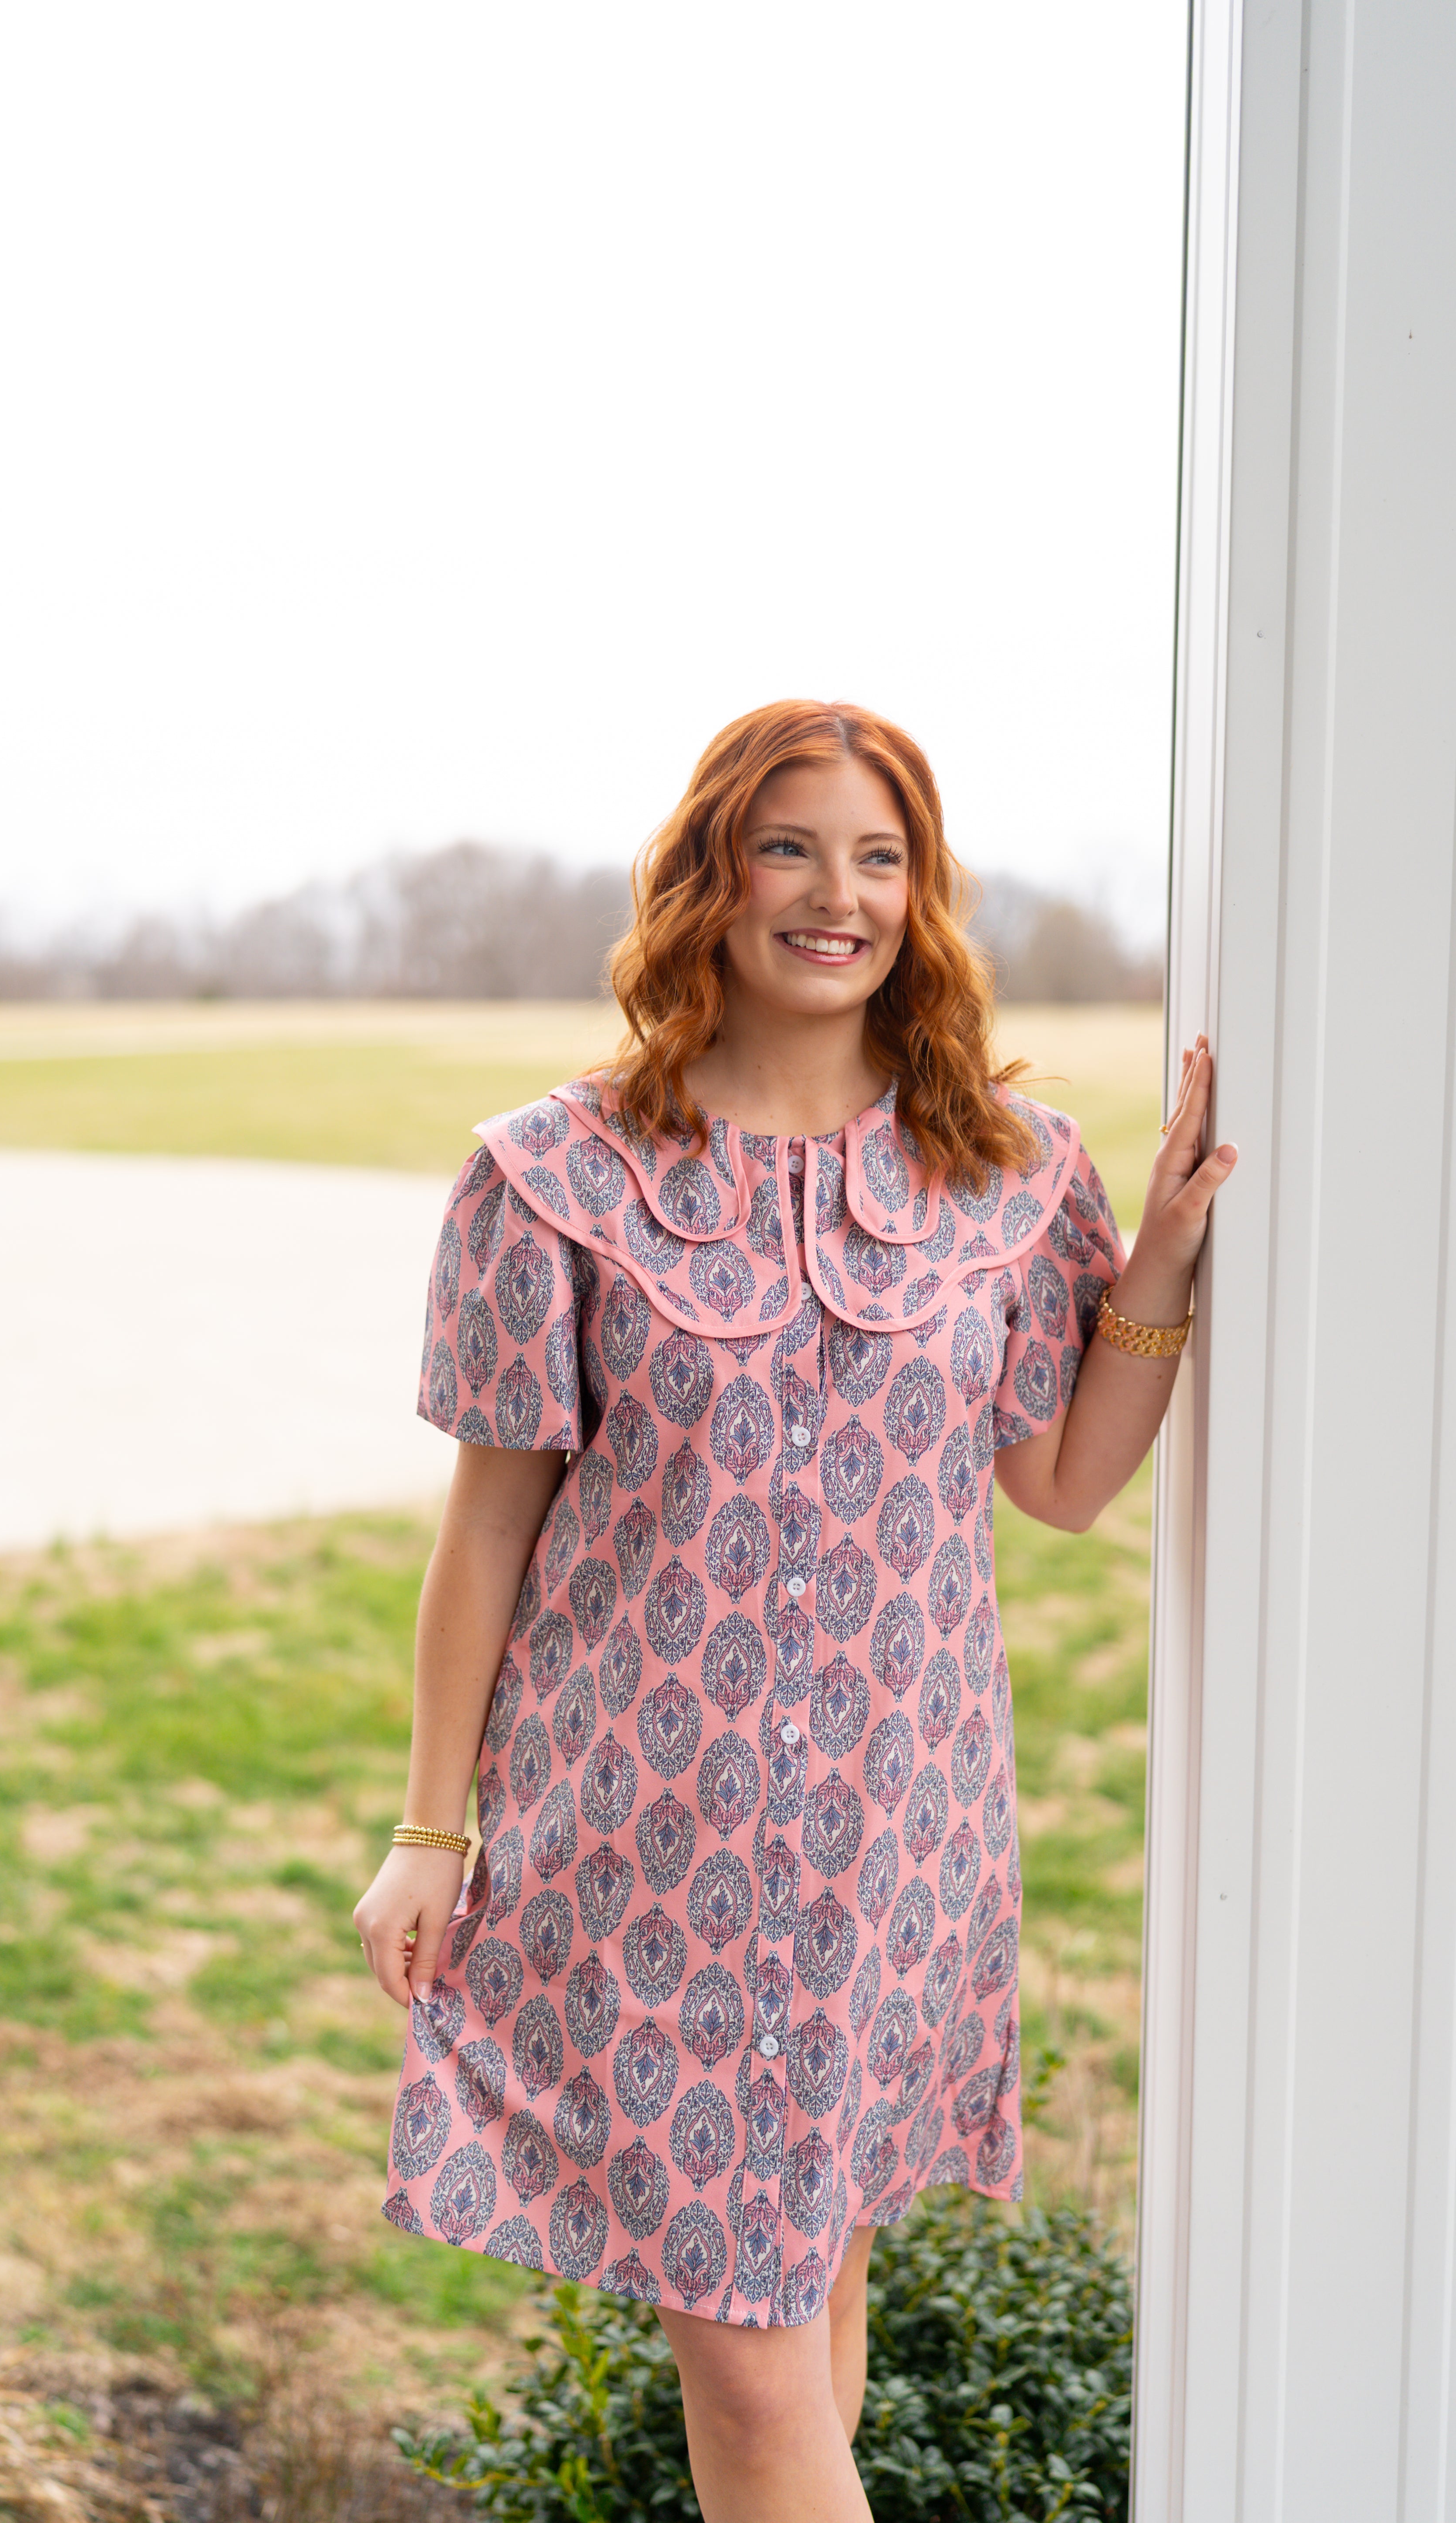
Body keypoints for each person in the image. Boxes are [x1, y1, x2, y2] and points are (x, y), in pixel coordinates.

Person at [355, 699, 1234, 2523]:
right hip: (639, 1862)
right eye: (790, 847)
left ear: (922, 898)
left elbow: (1063, 1483)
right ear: (709, 879)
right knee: (757, 2384)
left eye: (879, 856)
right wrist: (431, 1826)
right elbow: (486, 1534)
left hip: (892, 1855)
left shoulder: (1010, 1175)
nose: (836, 896)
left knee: (814, 2301)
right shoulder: (554, 1180)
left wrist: (1150, 1266)